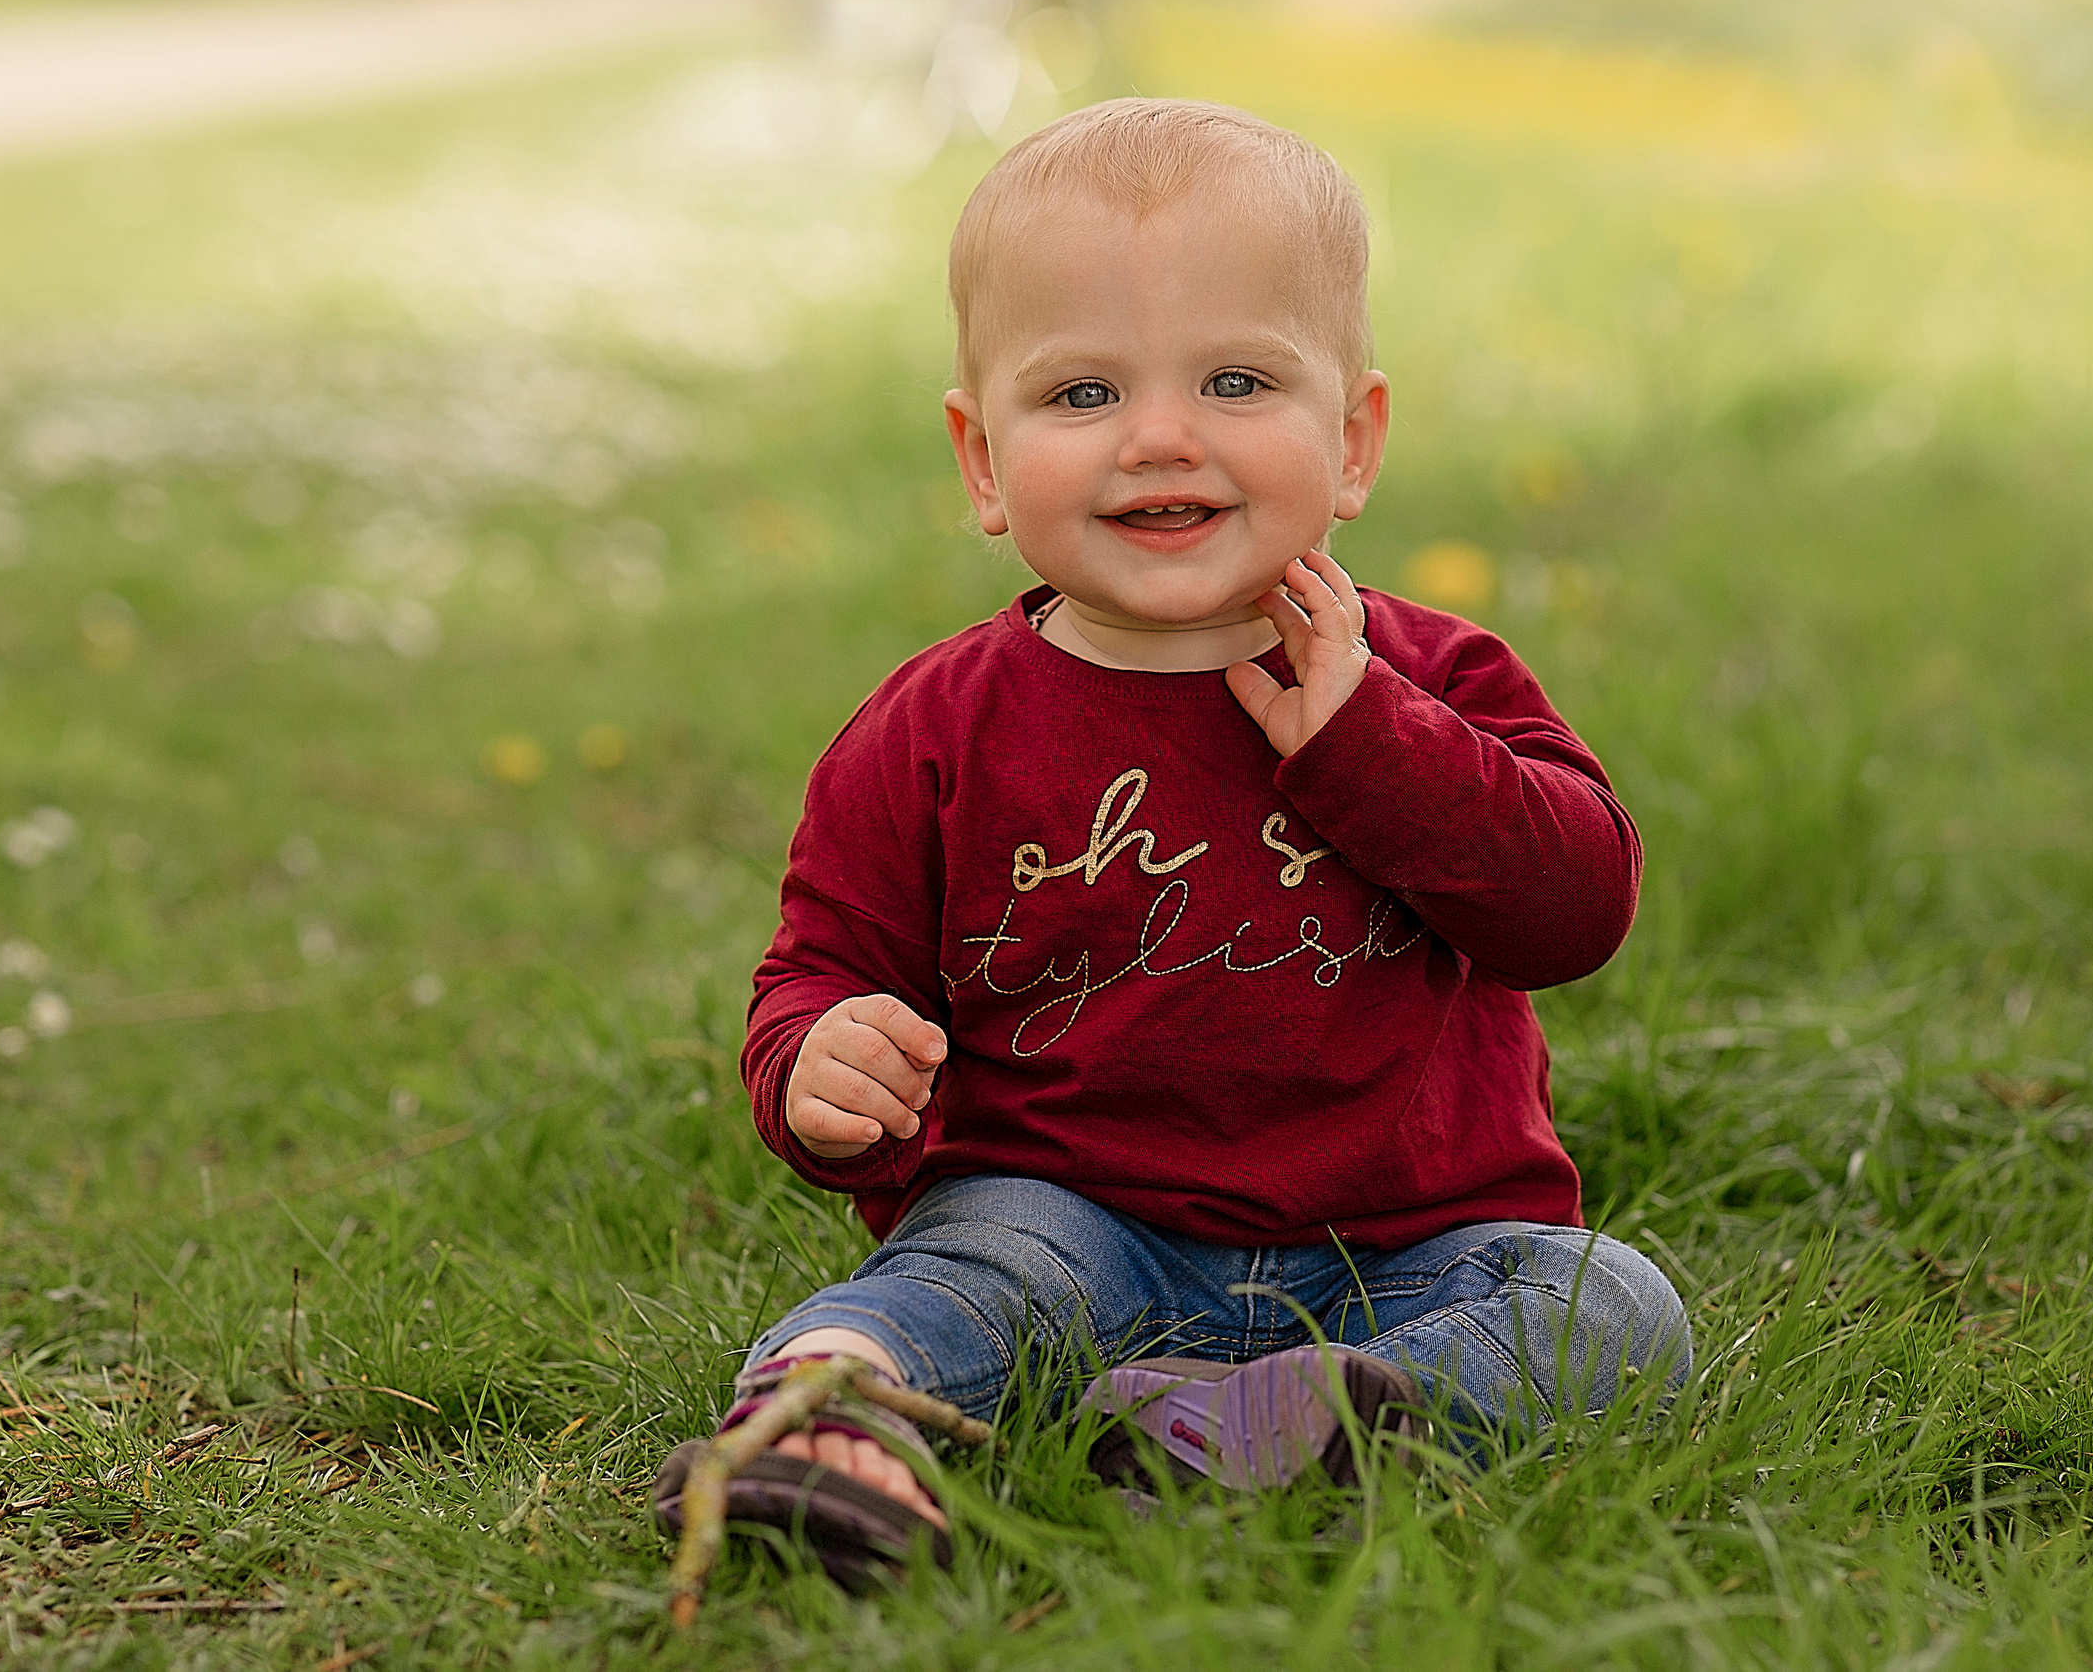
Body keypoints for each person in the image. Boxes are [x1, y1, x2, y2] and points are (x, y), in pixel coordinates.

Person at [652, 97, 1689, 1586]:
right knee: (964, 1273)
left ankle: (1285, 1421)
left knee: (1611, 1305)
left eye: (1235, 379)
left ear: (1353, 441)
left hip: (1412, 1248)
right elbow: (820, 974)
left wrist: (1369, 738)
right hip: (1076, 1223)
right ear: (983, 461)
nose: (1158, 437)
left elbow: (1574, 911)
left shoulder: (1438, 681)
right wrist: (824, 1063)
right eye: (1080, 395)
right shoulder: (930, 732)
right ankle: (833, 1416)